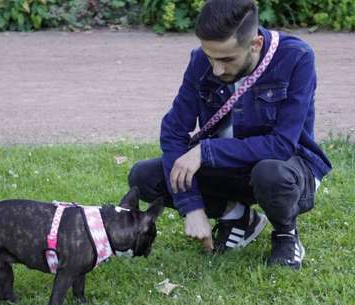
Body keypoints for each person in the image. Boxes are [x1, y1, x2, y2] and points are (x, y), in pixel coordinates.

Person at [128, 0, 332, 269]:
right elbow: (173, 131)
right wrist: (191, 205)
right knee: (144, 177)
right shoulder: (202, 60)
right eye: (210, 57)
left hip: (287, 169)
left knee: (269, 173)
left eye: (226, 59)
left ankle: (286, 234)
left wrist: (205, 151)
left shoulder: (297, 57)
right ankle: (238, 217)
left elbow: (282, 145)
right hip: (228, 168)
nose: (216, 69)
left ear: (255, 44)